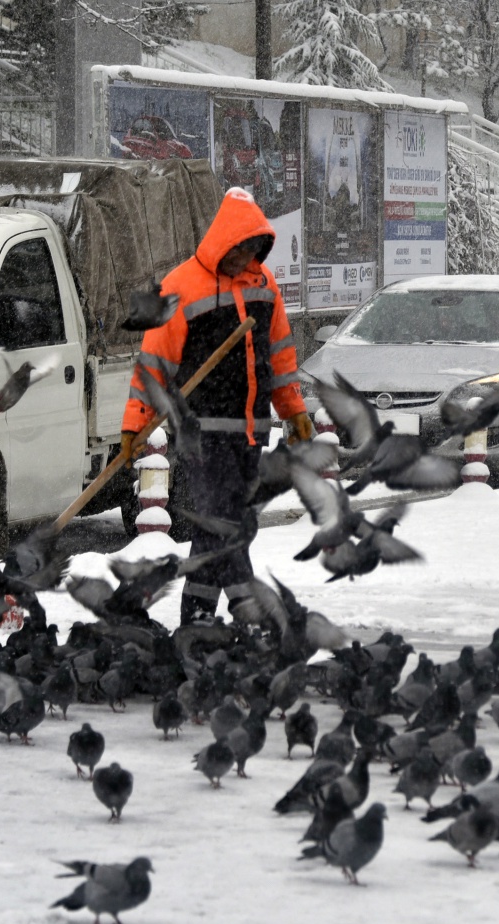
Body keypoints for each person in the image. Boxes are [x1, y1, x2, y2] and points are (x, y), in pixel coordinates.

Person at [120, 187, 316, 623]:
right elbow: (153, 365)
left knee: (221, 526)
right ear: (223, 241)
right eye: (238, 248)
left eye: (252, 249)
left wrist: (293, 408)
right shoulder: (182, 286)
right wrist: (134, 425)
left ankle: (198, 616)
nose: (243, 257)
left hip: (249, 431)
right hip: (201, 431)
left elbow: (280, 356)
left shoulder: (264, 287)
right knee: (223, 523)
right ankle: (249, 610)